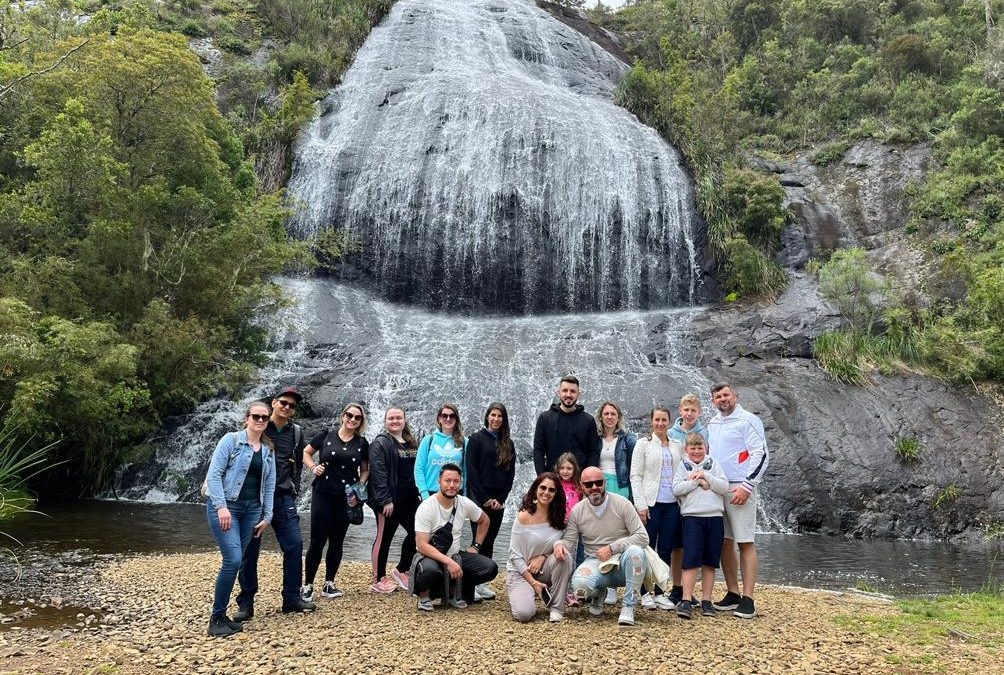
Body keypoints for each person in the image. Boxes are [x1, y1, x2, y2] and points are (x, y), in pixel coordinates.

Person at [234, 387, 315, 619]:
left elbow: (298, 465)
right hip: (253, 498)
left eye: (291, 405)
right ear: (274, 403)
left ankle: (291, 598)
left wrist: (294, 488)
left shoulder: (296, 433)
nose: (287, 407)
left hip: (282, 497)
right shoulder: (259, 424)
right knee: (250, 551)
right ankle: (246, 603)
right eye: (283, 403)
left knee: (295, 544)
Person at [204, 401, 276, 637]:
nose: (260, 421)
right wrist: (221, 507)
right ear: (247, 418)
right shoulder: (231, 440)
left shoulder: (268, 450)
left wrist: (268, 515)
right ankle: (216, 618)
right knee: (233, 560)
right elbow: (213, 475)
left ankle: (223, 616)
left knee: (238, 559)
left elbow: (269, 486)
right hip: (227, 508)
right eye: (256, 416)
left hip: (252, 511)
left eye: (264, 417)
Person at [556, 466, 649, 626]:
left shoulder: (622, 504)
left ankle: (629, 606)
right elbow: (569, 541)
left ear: (605, 483)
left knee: (636, 553)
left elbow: (642, 537)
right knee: (579, 586)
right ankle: (599, 594)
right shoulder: (577, 511)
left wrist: (613, 548)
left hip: (623, 561)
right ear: (581, 486)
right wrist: (559, 544)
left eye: (598, 482)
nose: (594, 488)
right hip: (595, 561)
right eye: (589, 484)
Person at [708, 383, 769, 619]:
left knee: (745, 541)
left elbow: (760, 454)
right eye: (718, 397)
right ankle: (733, 592)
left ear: (735, 396)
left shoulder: (749, 420)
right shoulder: (713, 423)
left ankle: (749, 598)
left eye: (726, 395)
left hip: (739, 486)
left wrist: (747, 485)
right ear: (713, 401)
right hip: (717, 486)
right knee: (725, 540)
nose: (723, 399)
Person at [302, 402, 369, 601]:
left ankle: (329, 583)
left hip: (346, 497)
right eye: (350, 415)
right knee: (317, 540)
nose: (352, 420)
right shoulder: (325, 435)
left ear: (360, 422)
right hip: (322, 492)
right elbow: (306, 452)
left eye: (357, 418)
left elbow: (365, 470)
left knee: (337, 541)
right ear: (343, 416)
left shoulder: (362, 443)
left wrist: (359, 486)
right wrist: (313, 467)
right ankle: (308, 585)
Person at [411, 464, 499, 610]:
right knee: (429, 571)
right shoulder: (426, 507)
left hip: (455, 555)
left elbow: (484, 520)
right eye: (447, 480)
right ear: (439, 481)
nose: (451, 485)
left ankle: (455, 592)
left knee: (490, 568)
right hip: (430, 556)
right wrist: (448, 562)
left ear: (461, 482)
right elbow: (421, 545)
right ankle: (425, 595)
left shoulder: (464, 503)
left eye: (456, 481)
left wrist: (475, 546)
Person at [630, 406, 684, 610]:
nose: (660, 423)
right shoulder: (643, 444)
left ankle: (661, 592)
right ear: (651, 422)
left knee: (665, 549)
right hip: (651, 505)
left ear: (669, 422)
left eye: (664, 420)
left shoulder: (677, 445)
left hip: (672, 504)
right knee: (646, 548)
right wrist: (640, 505)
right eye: (657, 420)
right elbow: (635, 476)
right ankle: (643, 592)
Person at [673, 432, 729, 619]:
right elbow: (676, 489)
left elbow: (724, 487)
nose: (696, 451)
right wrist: (696, 482)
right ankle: (687, 599)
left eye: (699, 447)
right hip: (692, 517)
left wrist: (707, 477)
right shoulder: (683, 465)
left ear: (706, 448)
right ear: (686, 450)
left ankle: (707, 601)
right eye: (693, 448)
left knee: (710, 561)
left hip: (714, 516)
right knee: (690, 560)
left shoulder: (713, 464)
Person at [367, 406, 421, 594]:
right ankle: (378, 578)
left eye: (399, 418)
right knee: (384, 537)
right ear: (385, 421)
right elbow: (378, 473)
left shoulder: (411, 442)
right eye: (391, 418)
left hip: (410, 499)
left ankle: (401, 569)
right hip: (389, 501)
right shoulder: (380, 443)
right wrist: (385, 500)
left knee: (418, 533)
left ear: (405, 420)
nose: (395, 421)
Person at [466, 402, 516, 600]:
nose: (496, 419)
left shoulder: (508, 443)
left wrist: (501, 498)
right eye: (493, 415)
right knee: (478, 539)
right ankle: (472, 582)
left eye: (500, 416)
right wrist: (485, 499)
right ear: (487, 416)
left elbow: (510, 474)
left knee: (491, 539)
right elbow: (472, 471)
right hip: (480, 499)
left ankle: (483, 581)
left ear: (504, 420)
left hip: (498, 500)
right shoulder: (476, 439)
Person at [506, 472, 572, 623]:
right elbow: (514, 554)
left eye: (551, 490)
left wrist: (543, 557)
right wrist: (533, 583)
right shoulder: (523, 516)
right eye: (543, 488)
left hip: (543, 569)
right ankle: (529, 590)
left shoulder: (559, 518)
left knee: (565, 557)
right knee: (523, 615)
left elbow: (560, 545)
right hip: (521, 571)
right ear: (536, 489)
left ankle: (556, 608)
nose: (546, 493)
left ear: (556, 493)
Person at [533, 376, 601, 475]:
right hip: (552, 480)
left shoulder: (588, 420)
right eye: (565, 390)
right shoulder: (545, 418)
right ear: (558, 392)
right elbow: (538, 451)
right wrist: (542, 477)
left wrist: (587, 477)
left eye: (573, 391)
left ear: (578, 394)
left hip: (579, 481)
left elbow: (593, 452)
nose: (568, 394)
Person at [414, 403, 467, 500]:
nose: (448, 419)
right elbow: (419, 468)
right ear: (439, 419)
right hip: (431, 494)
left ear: (457, 419)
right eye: (444, 416)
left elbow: (466, 471)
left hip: (455, 494)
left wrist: (465, 495)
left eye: (452, 416)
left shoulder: (464, 442)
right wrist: (424, 493)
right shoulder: (428, 440)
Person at [555, 452, 584, 607]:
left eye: (569, 468)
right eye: (562, 468)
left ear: (575, 470)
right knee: (560, 557)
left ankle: (570, 590)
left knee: (571, 559)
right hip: (557, 526)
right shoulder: (555, 485)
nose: (565, 471)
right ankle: (559, 590)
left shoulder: (579, 488)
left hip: (573, 527)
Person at [595, 400, 637, 499]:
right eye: (606, 414)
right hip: (599, 485)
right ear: (601, 417)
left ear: (618, 418)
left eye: (613, 414)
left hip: (620, 485)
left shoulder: (628, 439)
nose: (609, 417)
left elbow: (633, 468)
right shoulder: (594, 438)